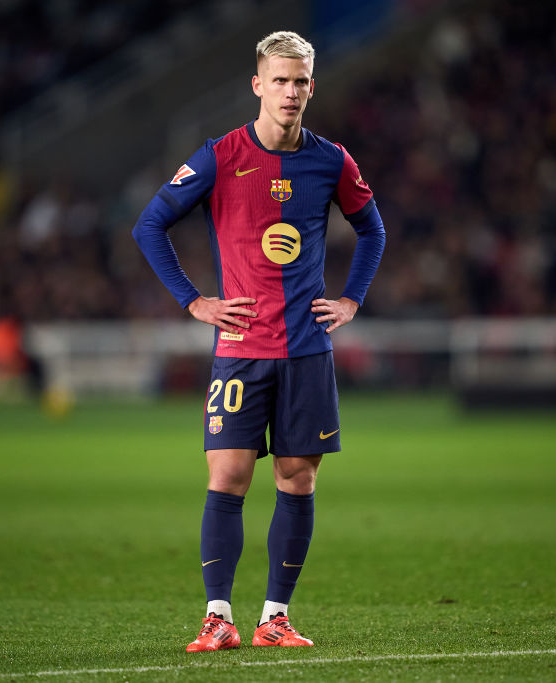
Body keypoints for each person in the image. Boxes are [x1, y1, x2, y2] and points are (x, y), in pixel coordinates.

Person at [132, 30, 385, 652]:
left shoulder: (332, 161)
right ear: (257, 85)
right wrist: (194, 301)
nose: (291, 92)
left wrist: (351, 298)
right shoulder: (220, 156)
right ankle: (218, 615)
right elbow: (150, 225)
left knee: (297, 479)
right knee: (229, 477)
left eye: (300, 82)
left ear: (311, 87)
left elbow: (372, 230)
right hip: (242, 347)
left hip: (306, 348)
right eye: (280, 80)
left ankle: (275, 617)